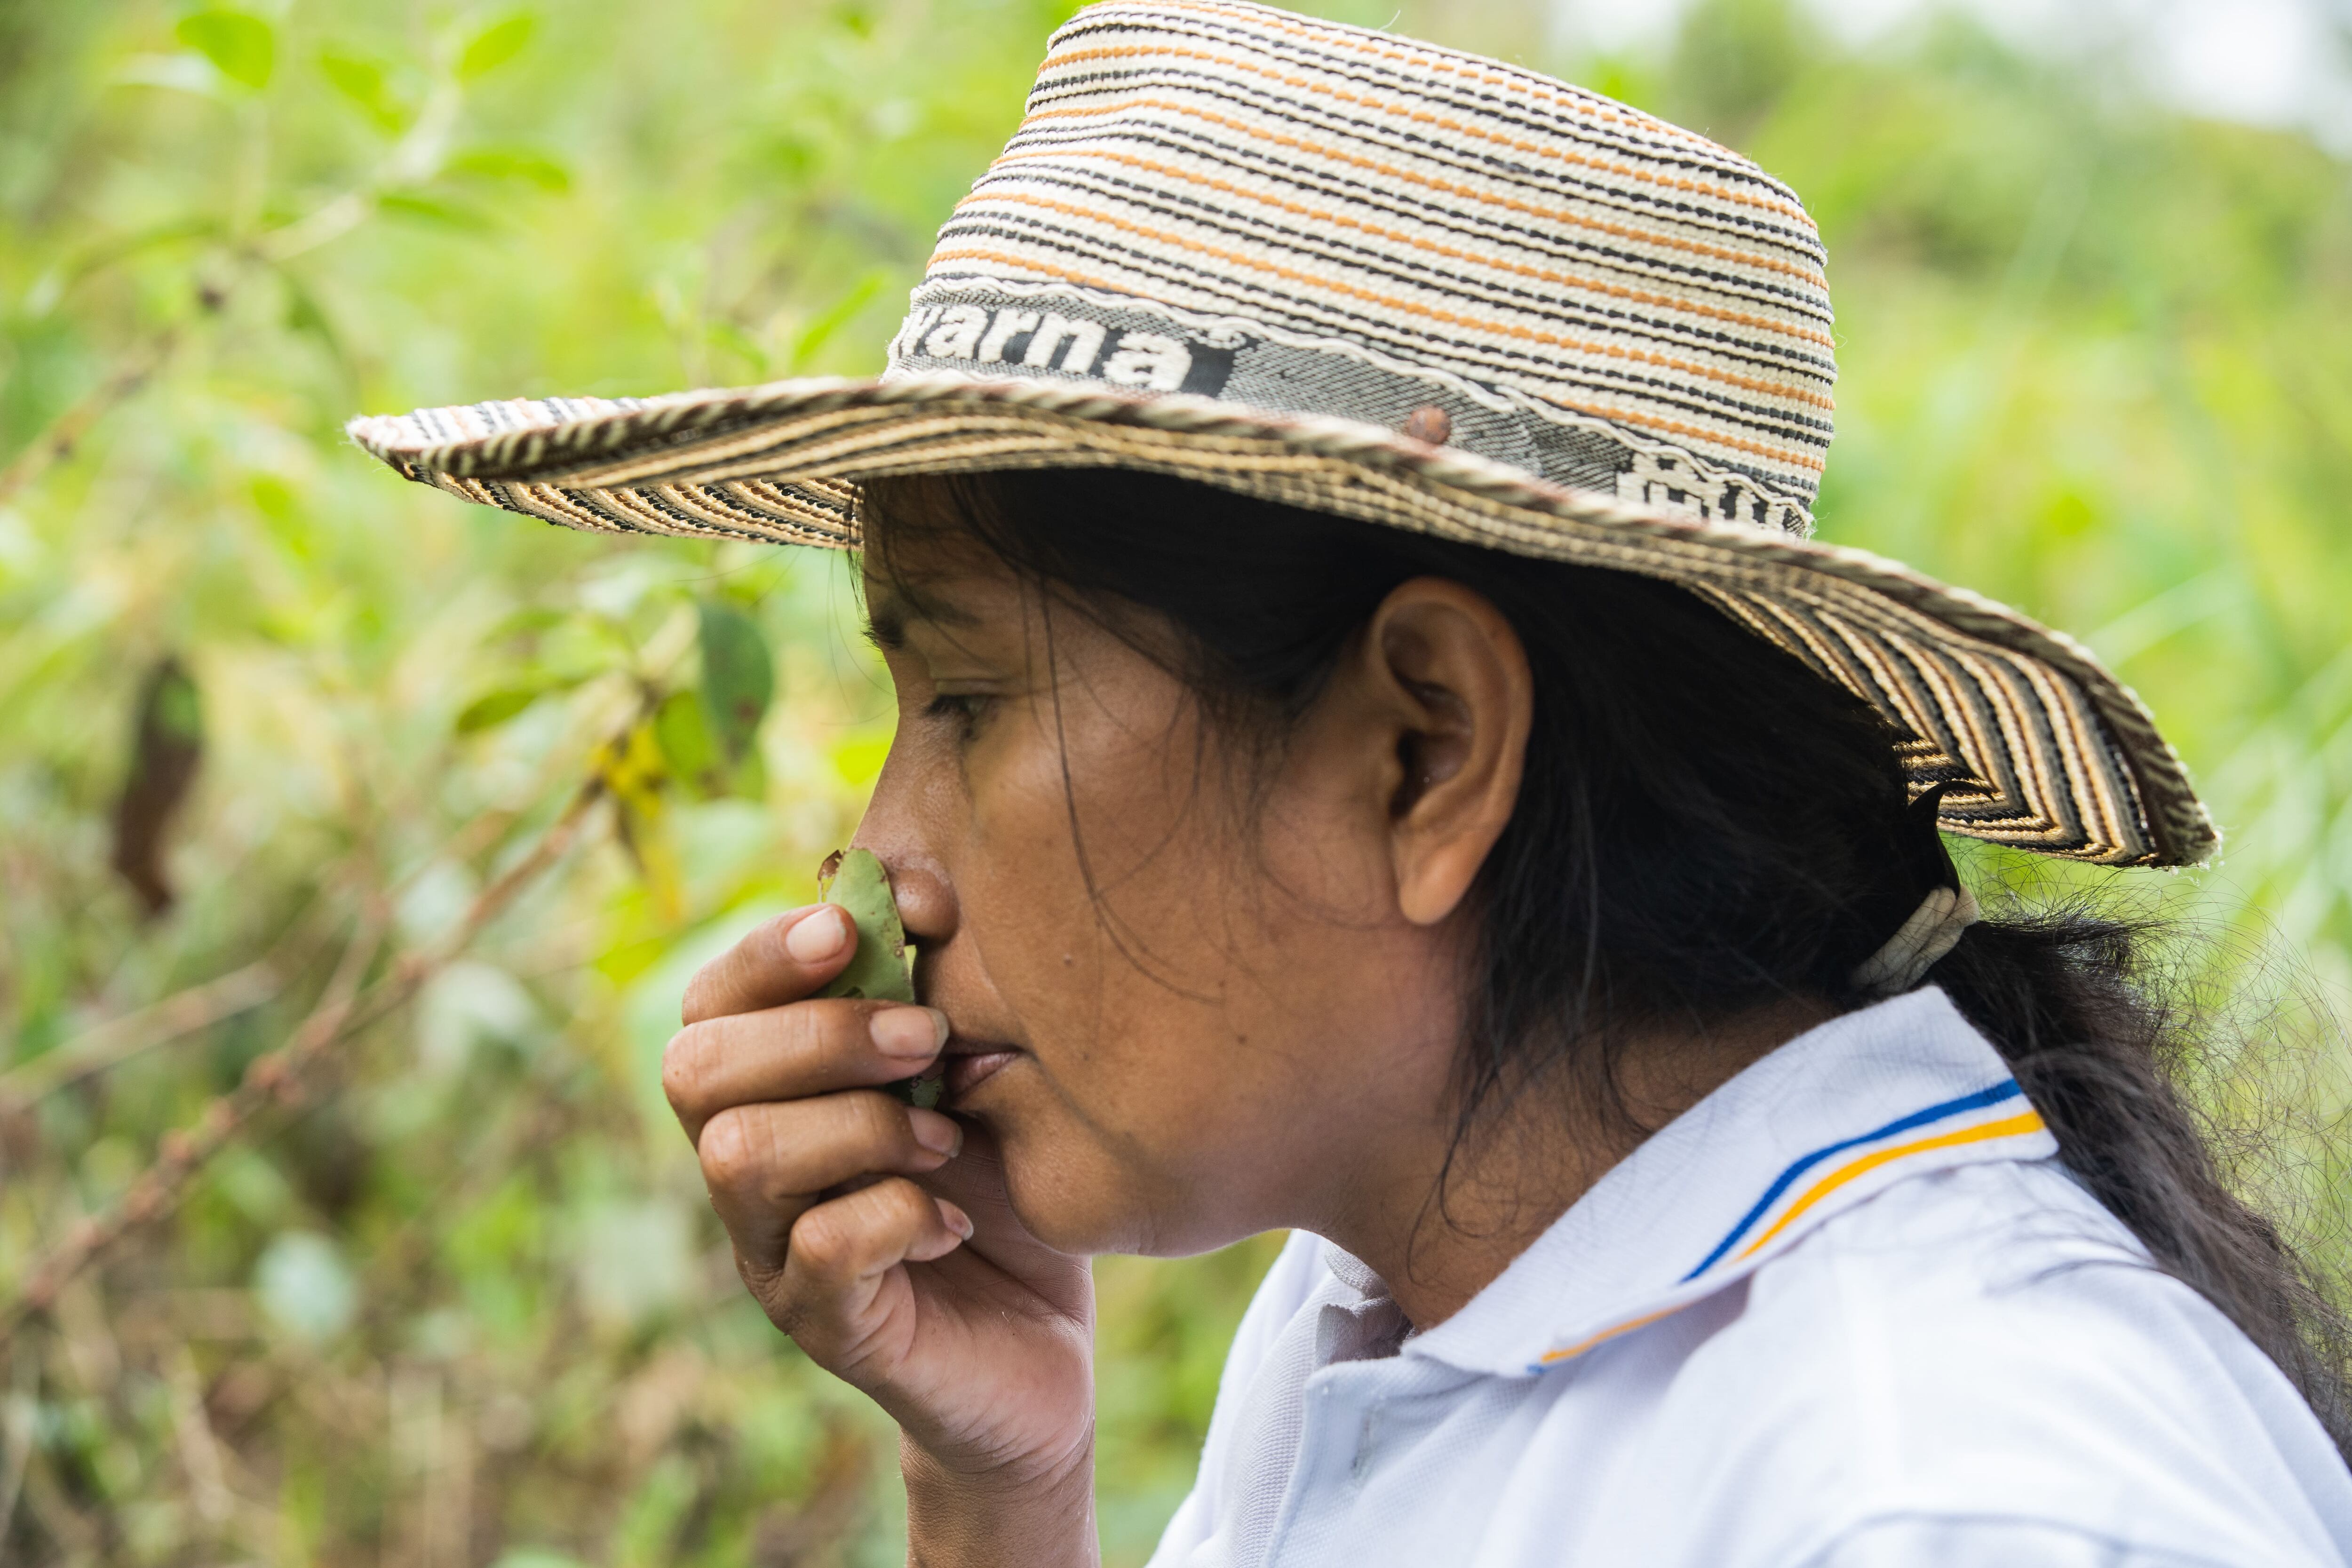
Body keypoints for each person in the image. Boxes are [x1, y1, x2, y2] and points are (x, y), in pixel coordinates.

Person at [349, 3, 2352, 1562]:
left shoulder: (1949, 1511)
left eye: (961, 698)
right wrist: (1000, 1499)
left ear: (1422, 750)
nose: (882, 848)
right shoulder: (1389, 1312)